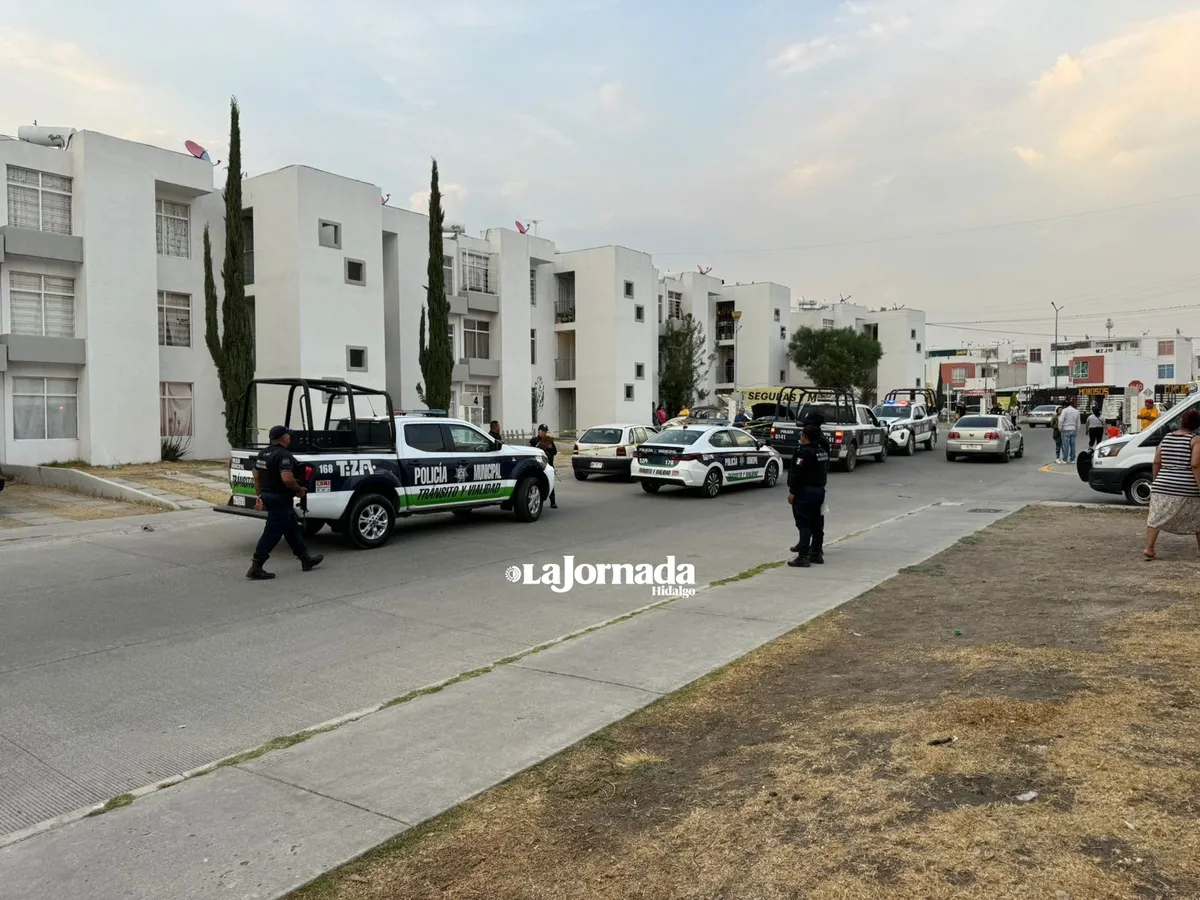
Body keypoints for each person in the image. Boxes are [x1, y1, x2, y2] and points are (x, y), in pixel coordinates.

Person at [247, 426, 323, 580]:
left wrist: (259, 494)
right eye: (288, 435)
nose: (290, 437)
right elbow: (287, 479)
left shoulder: (263, 453)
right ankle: (256, 567)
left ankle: (305, 559)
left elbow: (256, 474)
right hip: (280, 499)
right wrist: (299, 490)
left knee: (291, 529)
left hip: (269, 495)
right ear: (283, 438)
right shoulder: (284, 455)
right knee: (271, 534)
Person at [1144, 408, 1200, 560]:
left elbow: (1157, 461)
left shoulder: (1167, 437)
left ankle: (1149, 548)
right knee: (1197, 515)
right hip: (1186, 486)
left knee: (1155, 518)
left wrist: (1156, 481)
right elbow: (1195, 464)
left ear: (1181, 421)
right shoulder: (1195, 440)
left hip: (1161, 485)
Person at [787, 422, 830, 568]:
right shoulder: (821, 452)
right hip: (819, 490)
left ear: (805, 436)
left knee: (804, 524)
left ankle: (803, 556)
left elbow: (798, 474)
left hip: (805, 492)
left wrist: (793, 492)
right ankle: (816, 553)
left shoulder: (804, 453)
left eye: (802, 434)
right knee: (816, 523)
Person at [530, 424, 558, 509]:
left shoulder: (549, 440)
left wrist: (550, 447)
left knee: (550, 483)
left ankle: (553, 502)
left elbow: (555, 452)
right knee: (538, 484)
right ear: (539, 431)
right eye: (543, 431)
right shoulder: (534, 441)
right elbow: (531, 451)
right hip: (538, 466)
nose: (544, 433)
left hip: (548, 465)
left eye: (546, 431)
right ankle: (538, 502)